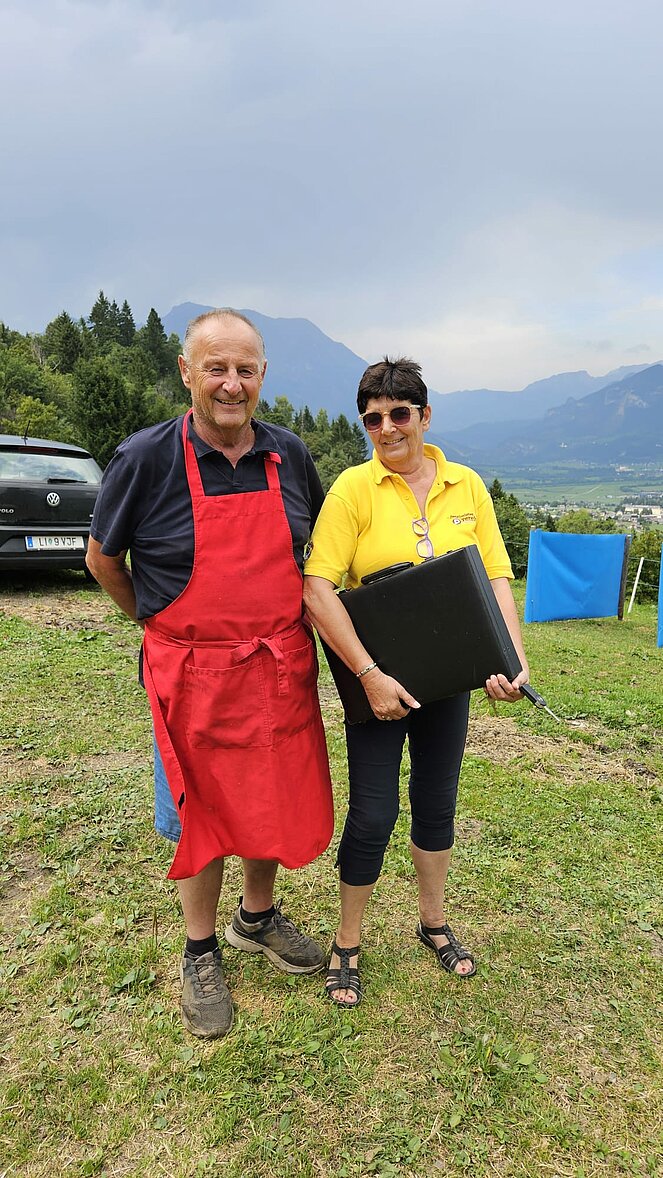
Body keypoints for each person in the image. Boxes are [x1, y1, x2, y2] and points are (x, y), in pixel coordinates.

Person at [86, 308, 333, 1039]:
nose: (231, 384)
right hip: (191, 675)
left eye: (245, 369)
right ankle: (199, 951)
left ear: (262, 376)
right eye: (215, 368)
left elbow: (317, 558)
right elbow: (103, 559)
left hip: (276, 669)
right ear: (187, 373)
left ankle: (256, 918)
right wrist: (158, 622)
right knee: (198, 813)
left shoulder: (289, 454)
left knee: (266, 798)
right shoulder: (146, 458)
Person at [303, 356, 529, 1006]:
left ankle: (432, 922)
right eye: (372, 418)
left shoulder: (467, 485)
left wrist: (511, 658)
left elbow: (494, 577)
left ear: (424, 416)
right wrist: (369, 675)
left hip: (447, 679)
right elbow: (316, 588)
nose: (386, 428)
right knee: (372, 815)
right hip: (376, 685)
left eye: (398, 414)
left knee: (436, 805)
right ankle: (347, 942)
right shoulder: (353, 489)